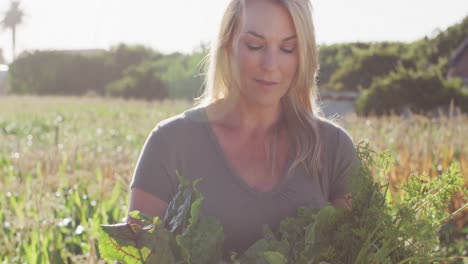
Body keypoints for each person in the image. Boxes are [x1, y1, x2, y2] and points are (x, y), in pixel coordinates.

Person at [127, 0, 358, 257]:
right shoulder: (170, 142)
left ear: (303, 55)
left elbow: (362, 252)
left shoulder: (334, 147)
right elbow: (134, 258)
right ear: (227, 46)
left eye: (288, 48)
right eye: (255, 45)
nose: (270, 64)